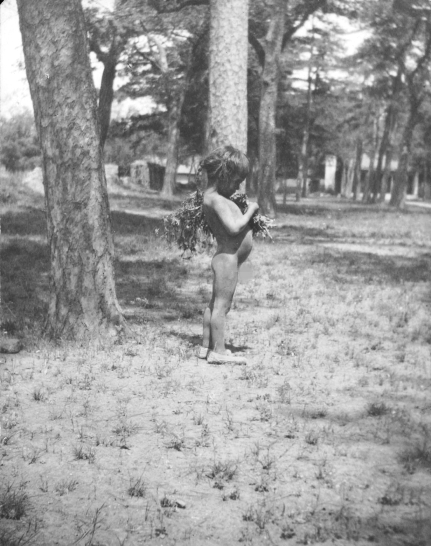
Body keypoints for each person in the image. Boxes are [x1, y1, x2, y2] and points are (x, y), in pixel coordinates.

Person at [197, 146, 259, 365]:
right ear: (224, 175)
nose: (238, 186)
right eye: (236, 181)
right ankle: (219, 352)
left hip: (225, 258)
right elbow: (233, 228)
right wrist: (251, 210)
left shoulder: (212, 197)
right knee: (222, 307)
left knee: (215, 304)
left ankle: (206, 346)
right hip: (227, 259)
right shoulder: (215, 200)